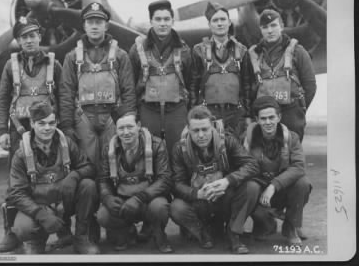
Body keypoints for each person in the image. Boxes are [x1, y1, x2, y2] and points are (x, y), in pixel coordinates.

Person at [0, 17, 62, 252]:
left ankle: (61, 230)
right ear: (18, 40)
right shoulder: (9, 64)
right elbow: (3, 98)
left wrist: (67, 130)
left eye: (33, 35)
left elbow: (63, 97)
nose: (29, 40)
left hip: (49, 131)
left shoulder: (54, 63)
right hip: (19, 130)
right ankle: (11, 234)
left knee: (56, 175)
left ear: (40, 37)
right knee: (15, 182)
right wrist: (3, 130)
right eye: (24, 36)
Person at [6, 101, 101, 254]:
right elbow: (16, 193)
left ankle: (81, 238)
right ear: (32, 123)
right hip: (40, 204)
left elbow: (89, 167)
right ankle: (36, 241)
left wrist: (75, 176)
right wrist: (41, 214)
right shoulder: (21, 154)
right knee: (22, 228)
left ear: (56, 121)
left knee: (88, 186)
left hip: (64, 202)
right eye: (41, 123)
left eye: (51, 123)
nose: (47, 128)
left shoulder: (67, 143)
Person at [170, 105, 260, 254]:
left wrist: (227, 181)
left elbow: (252, 164)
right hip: (199, 201)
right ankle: (202, 232)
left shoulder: (228, 141)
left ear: (212, 126)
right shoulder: (180, 148)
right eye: (196, 130)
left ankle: (233, 233)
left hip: (224, 198)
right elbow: (176, 184)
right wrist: (197, 194)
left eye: (205, 129)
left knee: (252, 187)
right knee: (176, 207)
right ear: (188, 129)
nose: (201, 135)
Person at [59, 1, 136, 165]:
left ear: (106, 26)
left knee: (114, 162)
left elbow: (128, 91)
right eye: (90, 22)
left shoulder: (121, 56)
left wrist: (128, 120)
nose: (94, 26)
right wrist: (67, 126)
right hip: (83, 118)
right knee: (86, 165)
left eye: (99, 22)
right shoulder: (72, 58)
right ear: (84, 26)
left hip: (112, 117)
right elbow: (66, 93)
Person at [97, 113, 173, 253]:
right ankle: (126, 231)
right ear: (116, 130)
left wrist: (139, 198)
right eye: (121, 128)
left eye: (130, 127)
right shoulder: (109, 149)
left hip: (149, 198)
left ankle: (157, 232)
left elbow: (165, 179)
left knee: (160, 207)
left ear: (138, 126)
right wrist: (107, 198)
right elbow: (103, 180)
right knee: (103, 215)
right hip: (122, 199)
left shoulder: (156, 145)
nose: (126, 132)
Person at [243, 96, 311, 246]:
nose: (268, 122)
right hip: (259, 192)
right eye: (263, 118)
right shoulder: (248, 139)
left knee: (303, 183)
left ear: (279, 117)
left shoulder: (291, 137)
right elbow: (241, 168)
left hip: (280, 190)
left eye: (271, 117)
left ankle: (290, 226)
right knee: (248, 187)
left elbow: (299, 166)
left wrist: (273, 185)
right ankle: (264, 223)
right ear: (257, 119)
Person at [128, 0, 192, 157]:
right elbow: (131, 84)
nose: (162, 23)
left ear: (172, 21)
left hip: (177, 109)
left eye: (166, 19)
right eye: (158, 19)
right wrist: (132, 113)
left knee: (179, 150)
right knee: (149, 151)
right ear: (151, 21)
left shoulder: (183, 49)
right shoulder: (137, 49)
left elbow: (190, 81)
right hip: (148, 109)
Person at [248, 9, 316, 140]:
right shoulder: (253, 55)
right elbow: (248, 88)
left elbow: (310, 86)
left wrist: (299, 110)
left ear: (282, 26)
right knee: (265, 158)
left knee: (292, 156)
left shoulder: (298, 52)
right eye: (265, 27)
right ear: (260, 30)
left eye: (273, 25)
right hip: (264, 120)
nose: (270, 30)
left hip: (291, 116)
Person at [191, 2, 253, 137]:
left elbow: (247, 85)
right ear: (209, 25)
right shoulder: (198, 51)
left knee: (236, 152)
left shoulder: (242, 51)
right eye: (215, 20)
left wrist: (247, 115)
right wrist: (194, 114)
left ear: (229, 22)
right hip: (209, 114)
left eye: (223, 19)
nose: (219, 23)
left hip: (236, 115)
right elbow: (193, 86)